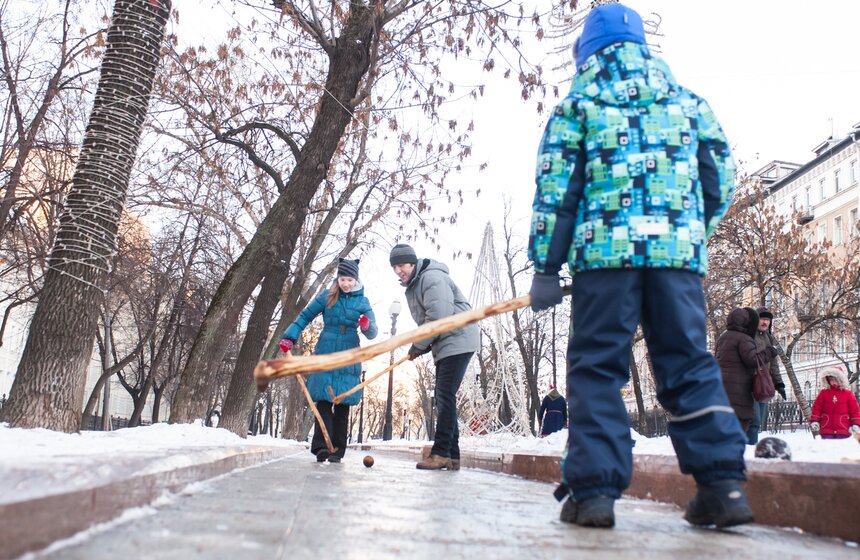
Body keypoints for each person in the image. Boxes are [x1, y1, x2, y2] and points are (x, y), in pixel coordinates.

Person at [527, 3, 751, 529]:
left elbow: (557, 192)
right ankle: (723, 489)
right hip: (677, 260)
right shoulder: (688, 102)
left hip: (604, 259)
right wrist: (692, 233)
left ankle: (595, 494)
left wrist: (545, 266)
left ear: (585, 53)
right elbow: (720, 176)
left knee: (598, 366)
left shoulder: (578, 105)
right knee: (689, 362)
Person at [389, 243, 480, 470]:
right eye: (395, 267)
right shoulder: (416, 283)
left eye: (402, 265)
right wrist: (423, 345)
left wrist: (419, 345)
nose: (399, 270)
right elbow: (430, 321)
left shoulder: (431, 278)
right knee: (444, 396)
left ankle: (440, 453)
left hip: (457, 338)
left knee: (444, 395)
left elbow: (438, 317)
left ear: (412, 262)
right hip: (447, 342)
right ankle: (452, 456)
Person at [280, 258, 377, 463]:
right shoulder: (327, 296)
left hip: (349, 352)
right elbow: (305, 316)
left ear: (356, 280)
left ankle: (338, 450)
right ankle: (322, 447)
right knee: (323, 400)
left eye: (350, 280)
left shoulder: (362, 302)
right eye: (343, 279)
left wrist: (366, 325)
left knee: (343, 403)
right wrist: (290, 336)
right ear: (338, 278)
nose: (346, 284)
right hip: (326, 349)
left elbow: (372, 332)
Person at [715, 308, 773, 433]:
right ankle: (745, 448)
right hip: (739, 387)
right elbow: (753, 361)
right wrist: (768, 352)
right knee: (743, 422)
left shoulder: (723, 338)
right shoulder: (744, 339)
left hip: (722, 387)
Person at [747, 306, 787, 444]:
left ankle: (751, 449)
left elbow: (773, 364)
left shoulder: (769, 338)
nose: (765, 323)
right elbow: (750, 358)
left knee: (757, 423)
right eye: (762, 319)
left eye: (767, 320)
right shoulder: (749, 335)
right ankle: (749, 450)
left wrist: (779, 384)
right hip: (749, 384)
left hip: (764, 385)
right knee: (754, 419)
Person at [809, 365, 860, 439]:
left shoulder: (848, 394)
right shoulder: (823, 393)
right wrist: (815, 421)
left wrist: (856, 424)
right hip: (826, 429)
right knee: (828, 449)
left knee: (841, 449)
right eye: (831, 380)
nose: (833, 382)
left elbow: (854, 411)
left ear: (840, 380)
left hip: (843, 429)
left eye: (835, 379)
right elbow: (817, 408)